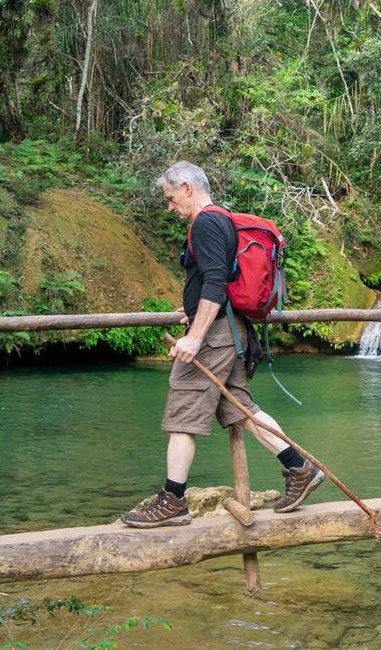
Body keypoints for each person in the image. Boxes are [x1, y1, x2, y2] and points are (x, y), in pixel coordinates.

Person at [122, 161, 324, 528]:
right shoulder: (221, 220)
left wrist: (194, 337)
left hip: (214, 335)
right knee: (239, 407)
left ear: (187, 187)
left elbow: (215, 282)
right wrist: (191, 308)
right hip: (228, 330)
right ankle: (299, 468)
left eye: (170, 198)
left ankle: (173, 499)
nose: (170, 207)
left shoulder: (205, 223)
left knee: (182, 411)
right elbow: (217, 282)